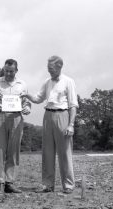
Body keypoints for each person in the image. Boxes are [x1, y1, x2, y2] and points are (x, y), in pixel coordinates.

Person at [23, 55, 78, 194]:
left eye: (51, 68)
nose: (49, 71)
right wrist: (25, 95)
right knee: (47, 152)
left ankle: (68, 185)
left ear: (59, 66)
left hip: (62, 115)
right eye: (48, 68)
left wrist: (71, 124)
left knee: (65, 152)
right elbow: (38, 98)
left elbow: (73, 105)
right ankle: (47, 184)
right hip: (47, 116)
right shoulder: (47, 82)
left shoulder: (69, 81)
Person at [0, 59, 31, 194]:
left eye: (11, 71)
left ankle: (9, 182)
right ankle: (0, 182)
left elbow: (27, 102)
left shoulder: (22, 84)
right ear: (3, 69)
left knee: (13, 150)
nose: (9, 73)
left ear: (16, 70)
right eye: (6, 71)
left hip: (16, 117)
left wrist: (27, 108)